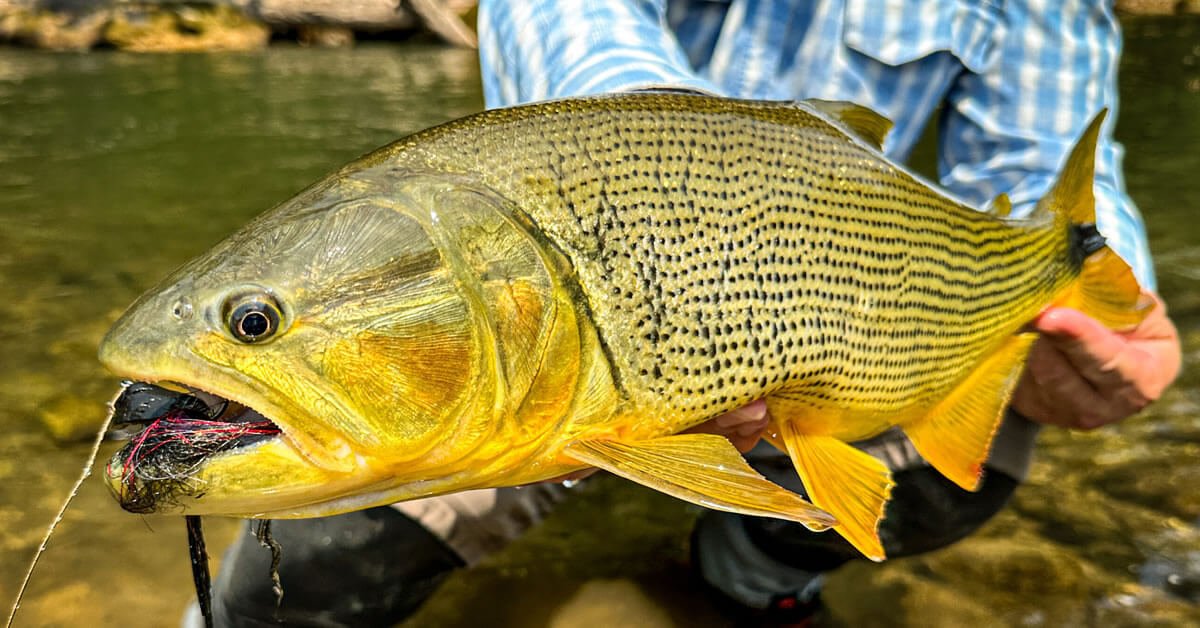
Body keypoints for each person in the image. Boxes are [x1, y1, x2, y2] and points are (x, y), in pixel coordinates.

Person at [198, 1, 1182, 626]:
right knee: (287, 587)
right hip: (580, 294)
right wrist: (655, 205)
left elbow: (1026, 172)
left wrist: (1101, 280)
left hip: (854, 316)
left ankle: (749, 570)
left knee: (979, 457)